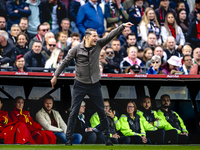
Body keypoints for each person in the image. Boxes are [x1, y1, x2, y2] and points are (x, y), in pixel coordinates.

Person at [51, 22, 133, 146]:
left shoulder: (99, 44)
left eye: (97, 36)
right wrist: (55, 75)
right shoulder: (76, 49)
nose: (97, 38)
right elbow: (64, 62)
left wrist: (122, 27)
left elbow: (110, 35)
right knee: (73, 112)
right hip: (80, 84)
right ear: (87, 37)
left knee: (101, 111)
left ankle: (108, 140)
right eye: (94, 36)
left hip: (94, 85)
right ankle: (69, 140)